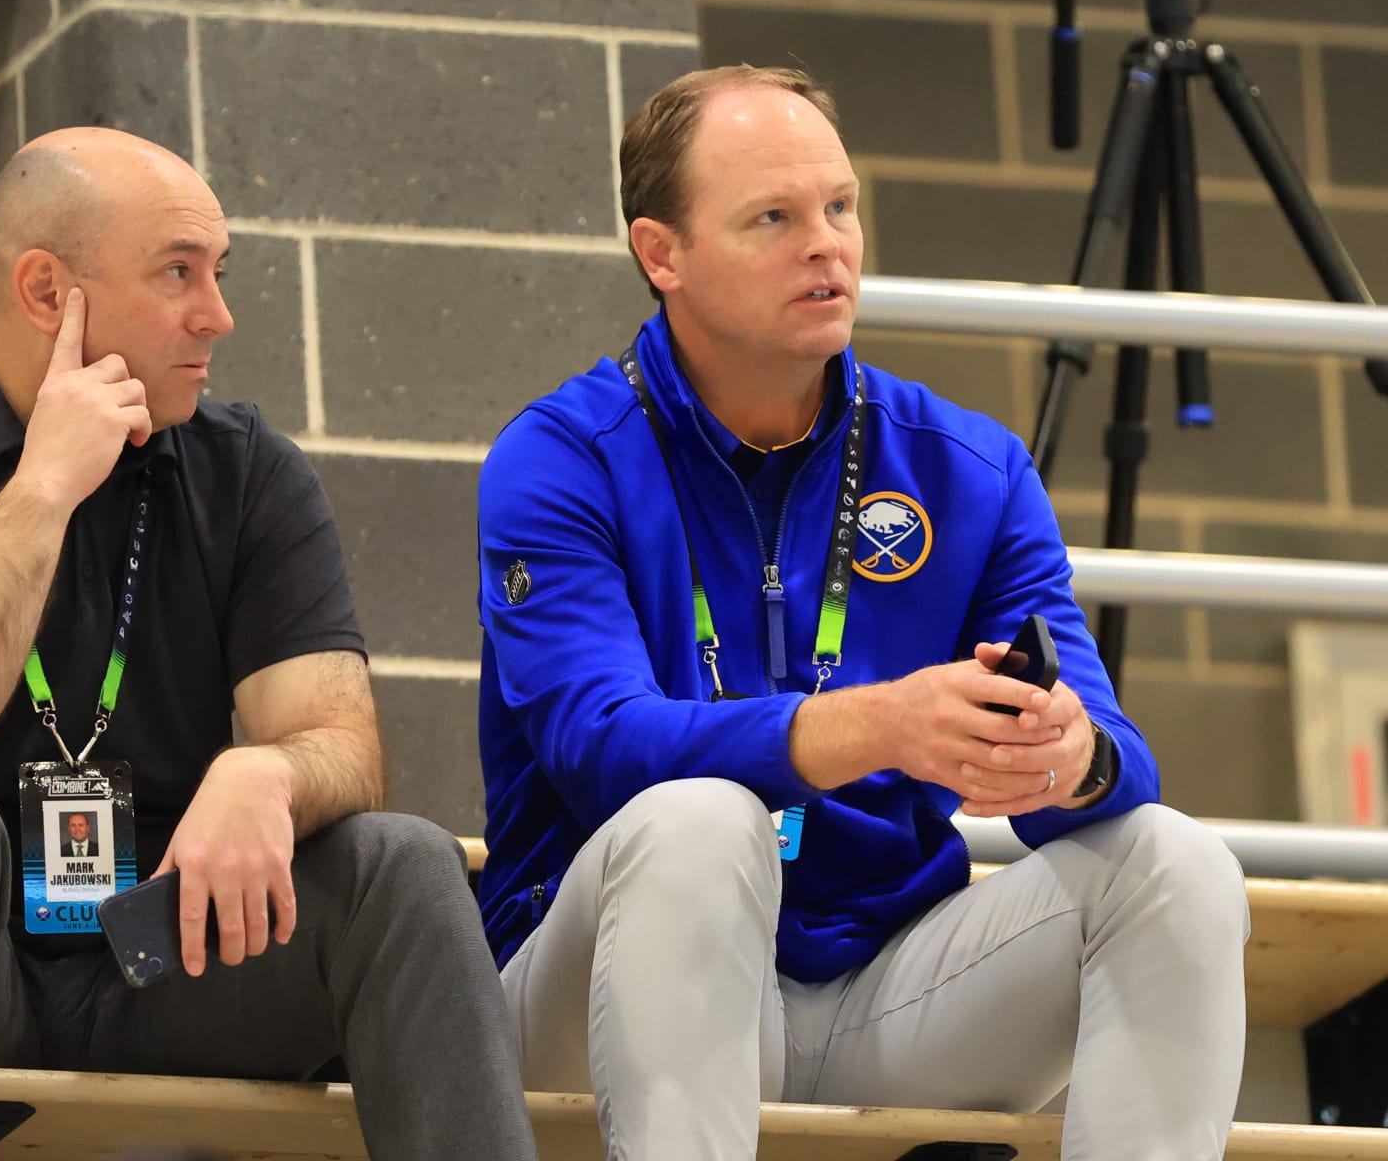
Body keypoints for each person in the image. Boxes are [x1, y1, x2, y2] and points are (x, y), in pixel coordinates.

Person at [0, 126, 538, 1161]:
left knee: (404, 864)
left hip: (142, 951)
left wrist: (272, 773)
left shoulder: (247, 473)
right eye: (179, 272)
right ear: (46, 291)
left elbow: (340, 739)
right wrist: (44, 488)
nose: (218, 314)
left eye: (219, 272)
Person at [475, 65, 1249, 1160]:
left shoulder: (970, 468)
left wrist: (1068, 756)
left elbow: (1116, 760)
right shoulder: (561, 459)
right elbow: (602, 749)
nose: (826, 246)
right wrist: (876, 727)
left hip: (882, 992)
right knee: (700, 824)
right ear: (662, 254)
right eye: (773, 218)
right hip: (590, 992)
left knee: (1178, 866)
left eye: (840, 207)